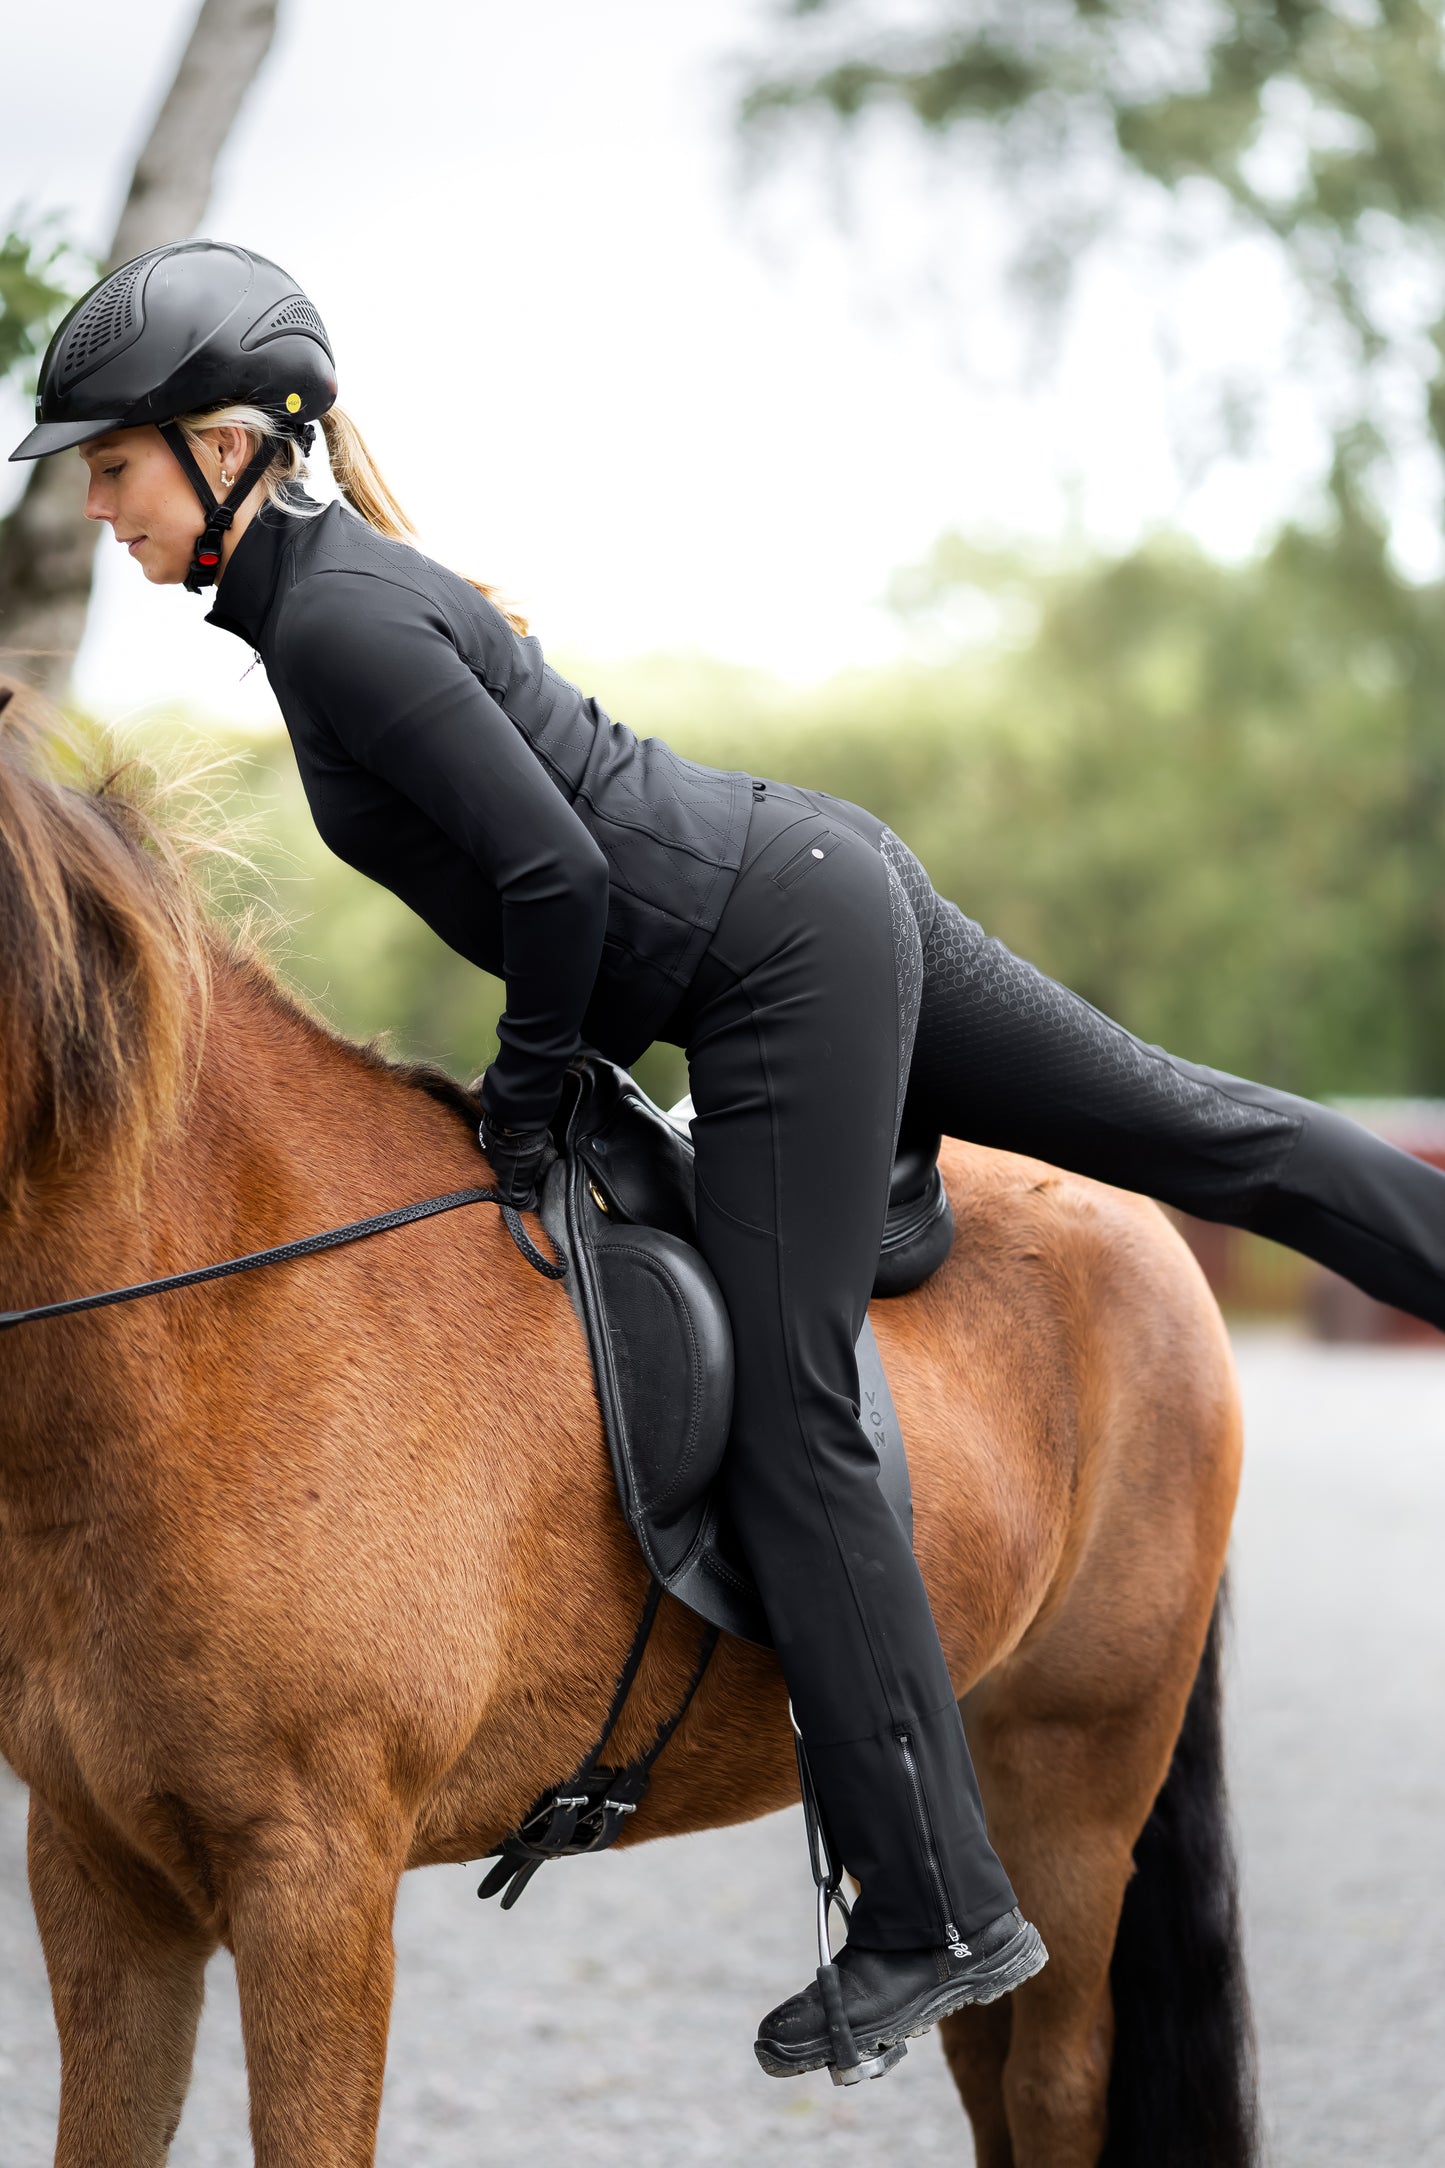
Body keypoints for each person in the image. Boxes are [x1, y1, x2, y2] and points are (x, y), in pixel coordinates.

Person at [14, 240, 1445, 2084]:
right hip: (812, 898)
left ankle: (930, 1907)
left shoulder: (343, 618)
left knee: (791, 1401)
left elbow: (559, 881)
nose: (98, 503)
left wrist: (525, 1099)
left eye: (112, 464)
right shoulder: (323, 601)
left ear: (224, 446)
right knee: (1209, 1132)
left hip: (778, 963)